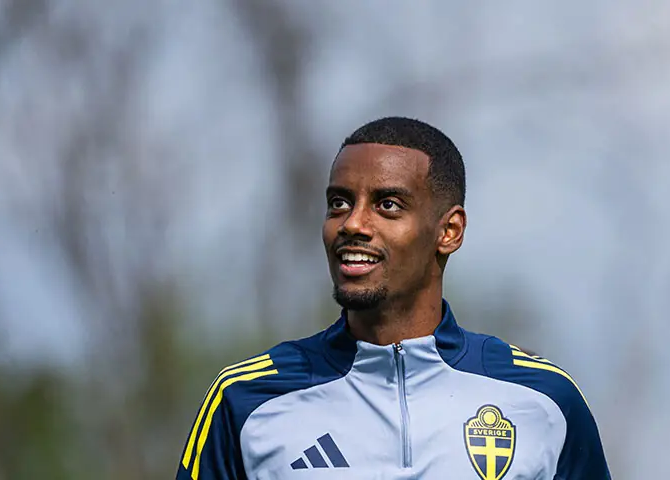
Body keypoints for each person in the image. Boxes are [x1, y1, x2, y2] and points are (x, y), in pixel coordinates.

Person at [176, 117, 610, 479]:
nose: (352, 224)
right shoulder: (246, 400)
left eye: (387, 205)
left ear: (449, 231)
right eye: (339, 203)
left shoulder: (543, 400)